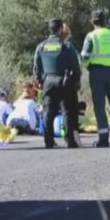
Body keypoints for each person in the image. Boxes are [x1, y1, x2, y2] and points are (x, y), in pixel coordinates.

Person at [81, 10, 110, 147]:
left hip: (97, 72)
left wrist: (87, 66)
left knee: (99, 105)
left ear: (92, 21)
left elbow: (84, 56)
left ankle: (103, 138)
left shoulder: (91, 36)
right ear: (104, 20)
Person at [33, 18, 82, 148]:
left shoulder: (41, 46)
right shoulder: (67, 45)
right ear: (60, 29)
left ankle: (48, 141)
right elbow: (75, 65)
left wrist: (39, 80)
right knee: (68, 111)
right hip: (65, 81)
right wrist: (77, 80)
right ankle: (69, 140)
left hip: (48, 82)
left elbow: (36, 67)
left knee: (48, 111)